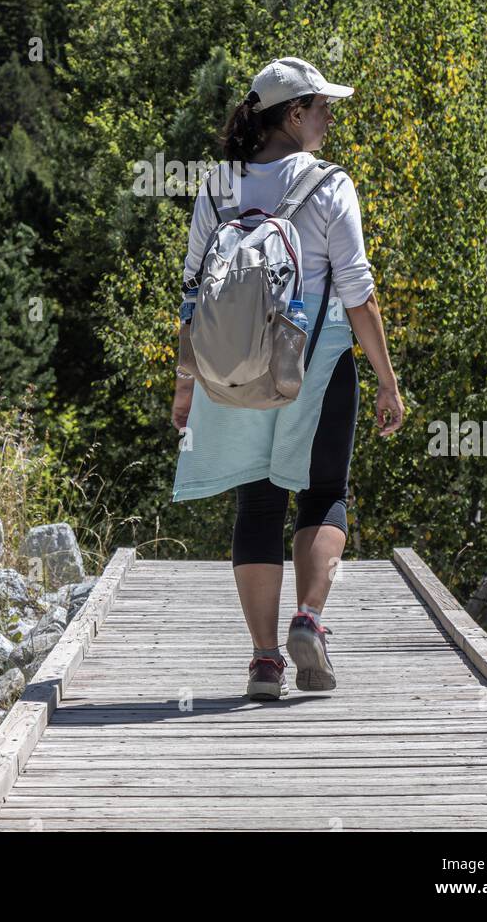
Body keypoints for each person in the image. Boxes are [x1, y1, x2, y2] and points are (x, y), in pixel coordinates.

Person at [171, 57, 405, 699]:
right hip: (317, 359)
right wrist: (387, 380)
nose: (331, 117)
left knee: (257, 499)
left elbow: (192, 289)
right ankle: (310, 620)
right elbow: (358, 292)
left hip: (231, 366)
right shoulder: (330, 185)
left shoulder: (217, 187)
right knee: (325, 490)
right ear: (294, 115)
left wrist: (186, 384)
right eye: (323, 107)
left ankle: (265, 662)